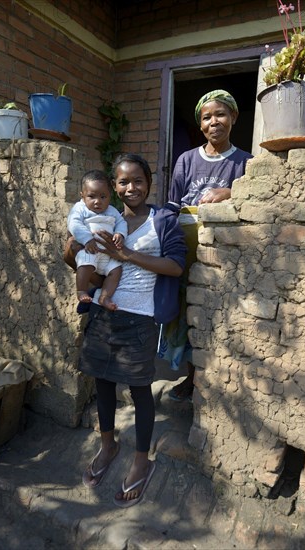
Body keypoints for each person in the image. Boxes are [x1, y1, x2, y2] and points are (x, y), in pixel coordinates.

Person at [65, 154, 187, 507]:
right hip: (106, 311)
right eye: (122, 182)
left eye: (137, 180)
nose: (130, 187)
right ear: (113, 187)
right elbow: (90, 264)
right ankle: (108, 445)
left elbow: (176, 266)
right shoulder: (100, 218)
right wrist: (74, 252)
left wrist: (129, 255)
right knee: (102, 382)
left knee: (139, 390)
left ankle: (140, 461)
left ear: (149, 183)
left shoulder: (162, 219)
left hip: (141, 319)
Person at [159, 89, 253, 402]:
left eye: (221, 114)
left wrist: (230, 192)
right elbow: (172, 207)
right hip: (184, 250)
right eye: (207, 117)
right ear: (201, 125)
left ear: (234, 118)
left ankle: (211, 377)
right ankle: (190, 376)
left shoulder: (245, 163)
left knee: (213, 313)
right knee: (185, 311)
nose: (215, 122)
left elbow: (253, 206)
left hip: (220, 253)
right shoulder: (186, 160)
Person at [67, 170, 128, 311]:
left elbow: (121, 222)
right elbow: (74, 224)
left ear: (109, 196)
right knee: (85, 264)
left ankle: (105, 296)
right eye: (91, 196)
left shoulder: (112, 211)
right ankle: (82, 290)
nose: (97, 201)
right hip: (90, 249)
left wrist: (120, 234)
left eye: (103, 197)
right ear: (82, 196)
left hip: (108, 254)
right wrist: (87, 240)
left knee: (116, 270)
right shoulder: (79, 209)